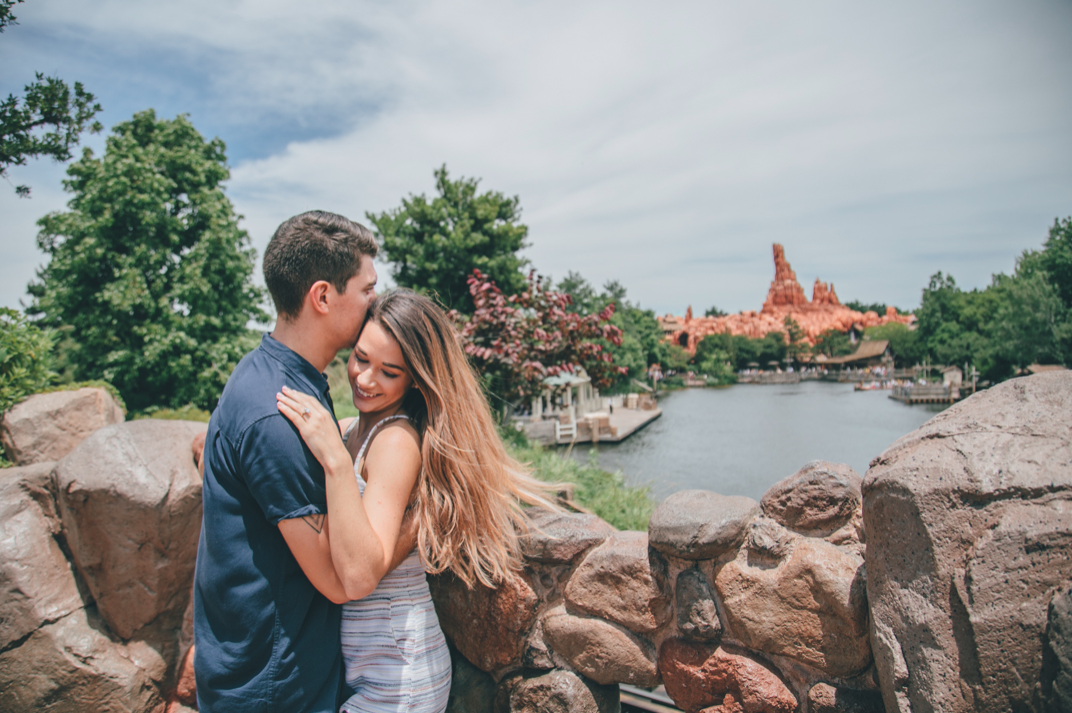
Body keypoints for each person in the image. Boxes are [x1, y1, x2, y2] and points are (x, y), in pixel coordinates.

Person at [274, 289, 559, 713]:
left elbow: (358, 572)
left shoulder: (395, 441)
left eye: (390, 372)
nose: (366, 379)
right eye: (361, 358)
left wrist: (334, 460)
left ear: (414, 380)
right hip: (368, 666)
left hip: (398, 674)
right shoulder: (353, 429)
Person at [194, 211, 415, 713]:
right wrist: (421, 521)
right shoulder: (275, 415)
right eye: (366, 289)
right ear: (322, 296)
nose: (374, 302)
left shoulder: (277, 373)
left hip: (257, 671)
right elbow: (347, 581)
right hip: (272, 686)